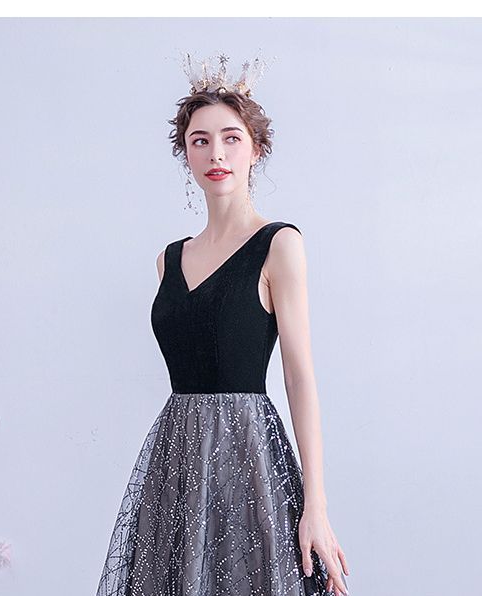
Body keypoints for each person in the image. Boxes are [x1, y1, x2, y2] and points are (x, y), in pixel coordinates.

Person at [97, 53, 349, 596]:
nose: (216, 153)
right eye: (200, 140)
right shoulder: (168, 259)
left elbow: (299, 376)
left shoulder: (278, 244)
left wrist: (317, 506)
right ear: (185, 153)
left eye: (231, 138)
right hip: (176, 458)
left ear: (256, 148)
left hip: (248, 455)